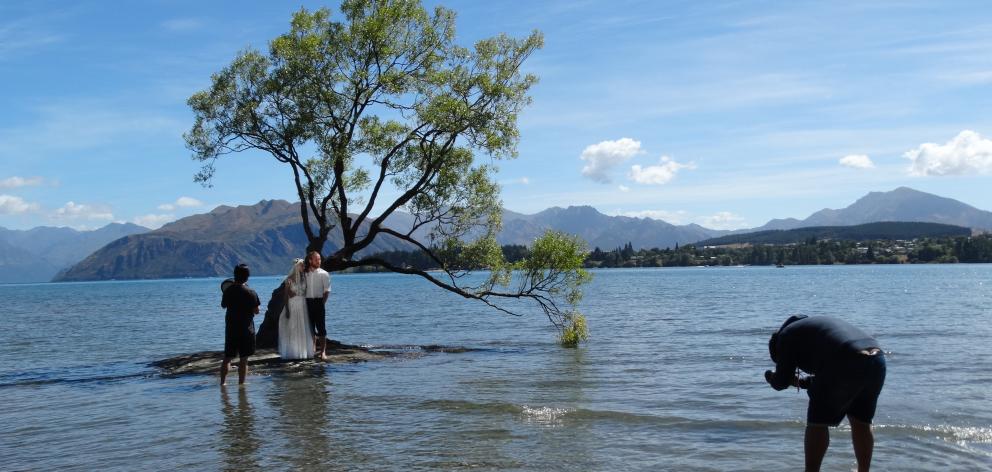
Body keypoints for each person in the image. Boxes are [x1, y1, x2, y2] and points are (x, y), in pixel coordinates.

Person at [764, 315, 886, 472]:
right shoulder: (812, 328)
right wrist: (801, 382)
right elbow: (827, 374)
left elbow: (780, 383)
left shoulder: (785, 337)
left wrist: (771, 377)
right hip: (876, 359)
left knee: (817, 423)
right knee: (861, 420)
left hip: (844, 359)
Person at [221, 263, 260, 386]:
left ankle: (223, 384)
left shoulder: (228, 291)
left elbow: (223, 306)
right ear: (247, 276)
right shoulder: (251, 292)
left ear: (235, 275)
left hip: (231, 328)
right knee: (244, 359)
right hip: (246, 329)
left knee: (227, 357)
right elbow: (256, 311)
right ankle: (241, 385)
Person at [277, 259, 314, 360]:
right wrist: (287, 309)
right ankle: (293, 352)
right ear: (297, 267)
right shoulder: (289, 279)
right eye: (301, 266)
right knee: (293, 327)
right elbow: (286, 296)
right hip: (293, 304)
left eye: (303, 266)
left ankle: (303, 351)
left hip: (302, 305)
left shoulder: (304, 278)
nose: (303, 267)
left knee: (303, 326)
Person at [303, 250, 331, 360]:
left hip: (319, 302)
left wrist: (322, 303)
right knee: (310, 327)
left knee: (321, 328)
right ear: (310, 261)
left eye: (319, 259)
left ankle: (323, 352)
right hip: (307, 302)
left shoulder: (324, 273)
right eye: (316, 259)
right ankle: (312, 349)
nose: (319, 261)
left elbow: (327, 291)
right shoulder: (304, 273)